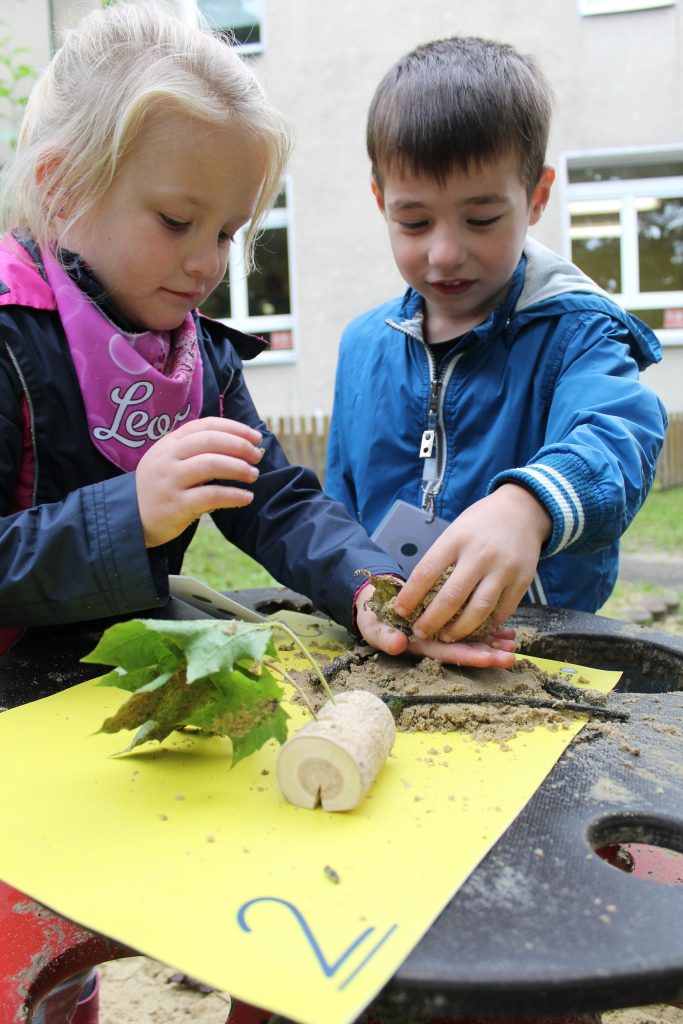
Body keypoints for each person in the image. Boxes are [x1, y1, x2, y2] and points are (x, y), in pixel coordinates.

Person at [0, 9, 517, 1024]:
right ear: (61, 186)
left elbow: (274, 498)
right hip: (7, 722)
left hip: (105, 701)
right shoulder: (12, 343)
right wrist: (126, 513)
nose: (207, 262)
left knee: (91, 927)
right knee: (23, 948)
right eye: (176, 221)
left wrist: (368, 584)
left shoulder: (197, 355)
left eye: (230, 232)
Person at [325, 35, 668, 647]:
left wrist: (527, 507)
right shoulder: (362, 346)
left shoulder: (578, 333)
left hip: (532, 645)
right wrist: (355, 592)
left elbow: (619, 436)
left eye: (481, 219)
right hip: (390, 637)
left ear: (536, 198)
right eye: (414, 221)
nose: (445, 252)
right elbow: (339, 508)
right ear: (381, 201)